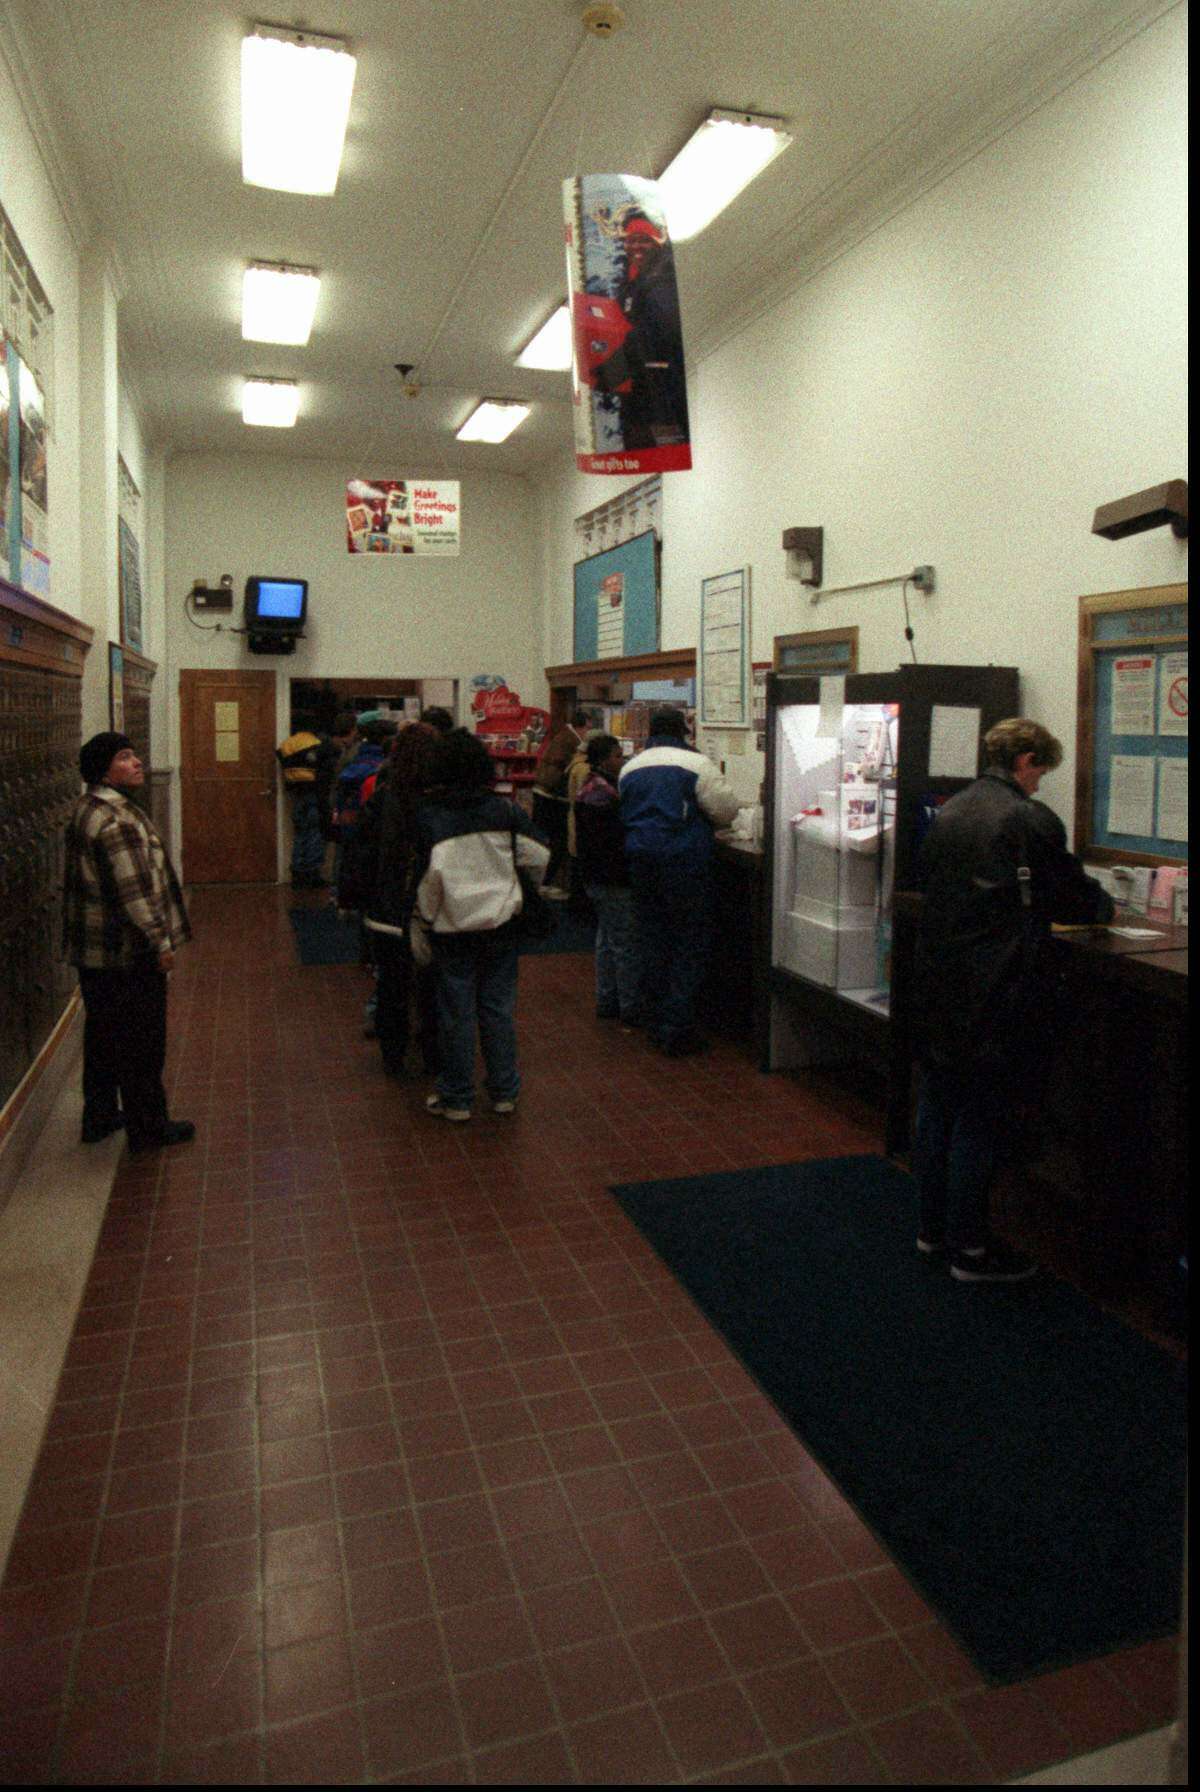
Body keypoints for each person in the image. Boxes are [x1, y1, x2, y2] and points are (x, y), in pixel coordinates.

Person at [912, 717, 1115, 1283]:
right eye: (1042, 770)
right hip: (995, 988)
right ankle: (972, 1251)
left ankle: (932, 1231)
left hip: (941, 980)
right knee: (980, 1117)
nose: (1042, 782)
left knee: (938, 1107)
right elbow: (1071, 894)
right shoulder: (1027, 818)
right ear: (1026, 760)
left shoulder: (952, 809)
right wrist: (1106, 910)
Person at [63, 733, 195, 1153]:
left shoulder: (88, 808)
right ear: (104, 770)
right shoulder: (118, 821)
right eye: (125, 758)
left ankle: (99, 1115)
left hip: (95, 953)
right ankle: (149, 1126)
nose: (137, 763)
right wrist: (162, 944)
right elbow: (136, 893)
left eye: (135, 755)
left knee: (103, 1033)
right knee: (142, 1040)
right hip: (126, 953)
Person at [413, 729, 549, 1121]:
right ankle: (504, 1093)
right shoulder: (504, 811)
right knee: (498, 1010)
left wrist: (425, 918)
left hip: (452, 929)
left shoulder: (430, 817)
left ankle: (457, 1098)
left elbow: (427, 881)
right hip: (502, 925)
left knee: (455, 1015)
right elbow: (538, 856)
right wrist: (520, 891)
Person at [618, 707, 739, 1055]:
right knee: (689, 940)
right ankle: (677, 1024)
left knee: (652, 937)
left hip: (641, 860)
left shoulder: (630, 767)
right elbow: (725, 810)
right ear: (684, 730)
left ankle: (655, 1019)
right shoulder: (696, 764)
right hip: (684, 863)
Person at [347, 722, 442, 1078]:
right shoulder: (439, 803)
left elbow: (361, 852)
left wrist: (354, 899)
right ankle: (433, 1055)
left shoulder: (382, 797)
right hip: (430, 910)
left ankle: (393, 1057)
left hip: (386, 911)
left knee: (391, 986)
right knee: (432, 988)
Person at [575, 732, 642, 1026]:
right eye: (617, 756)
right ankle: (629, 1005)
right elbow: (613, 837)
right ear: (604, 759)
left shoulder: (591, 787)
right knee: (624, 942)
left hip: (594, 874)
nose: (622, 760)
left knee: (606, 938)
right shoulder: (603, 794)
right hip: (611, 876)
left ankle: (607, 998)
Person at [531, 708, 590, 898]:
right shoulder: (573, 741)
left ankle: (542, 882)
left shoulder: (563, 736)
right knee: (561, 840)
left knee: (548, 839)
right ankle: (547, 882)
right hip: (553, 798)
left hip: (543, 792)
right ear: (583, 726)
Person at [277, 715, 337, 888]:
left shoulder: (286, 745)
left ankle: (297, 873)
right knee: (314, 834)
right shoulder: (317, 745)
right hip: (315, 793)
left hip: (296, 794)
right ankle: (311, 875)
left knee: (300, 834)